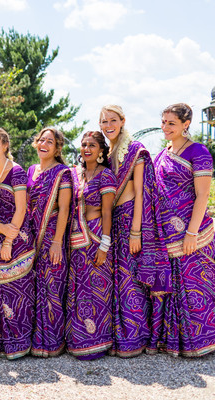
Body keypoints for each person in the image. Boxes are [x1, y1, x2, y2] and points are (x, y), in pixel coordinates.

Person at [99, 105, 171, 357]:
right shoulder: (106, 153)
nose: (108, 125)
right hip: (113, 220)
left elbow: (142, 192)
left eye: (112, 120)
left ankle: (135, 339)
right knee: (117, 279)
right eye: (103, 121)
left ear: (122, 121)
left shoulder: (135, 150)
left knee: (131, 279)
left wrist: (136, 231)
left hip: (131, 219)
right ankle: (119, 337)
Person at [155, 103, 215, 357]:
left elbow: (202, 196)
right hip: (166, 237)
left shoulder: (198, 152)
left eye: (171, 123)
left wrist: (191, 233)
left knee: (195, 288)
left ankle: (202, 343)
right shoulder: (162, 154)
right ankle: (176, 343)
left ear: (186, 124)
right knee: (174, 288)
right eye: (164, 122)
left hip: (194, 235)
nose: (165, 127)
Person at [0, 127, 36, 360]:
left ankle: (19, 343)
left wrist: (8, 241)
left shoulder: (16, 172)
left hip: (18, 239)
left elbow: (22, 208)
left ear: (5, 145)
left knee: (16, 291)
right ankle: (0, 344)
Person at [66, 131, 116, 360]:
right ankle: (78, 341)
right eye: (84, 145)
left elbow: (107, 212)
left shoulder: (106, 175)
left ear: (101, 151)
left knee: (97, 291)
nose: (86, 149)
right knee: (78, 290)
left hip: (96, 238)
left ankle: (98, 341)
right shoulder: (75, 174)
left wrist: (104, 245)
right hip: (76, 240)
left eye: (92, 145)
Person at [26, 127, 72, 357]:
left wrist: (56, 242)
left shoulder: (62, 173)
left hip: (52, 234)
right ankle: (36, 339)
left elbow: (63, 209)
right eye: (41, 140)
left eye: (50, 142)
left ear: (57, 147)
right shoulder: (31, 170)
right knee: (34, 286)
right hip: (31, 235)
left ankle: (52, 343)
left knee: (52, 286)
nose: (44, 144)